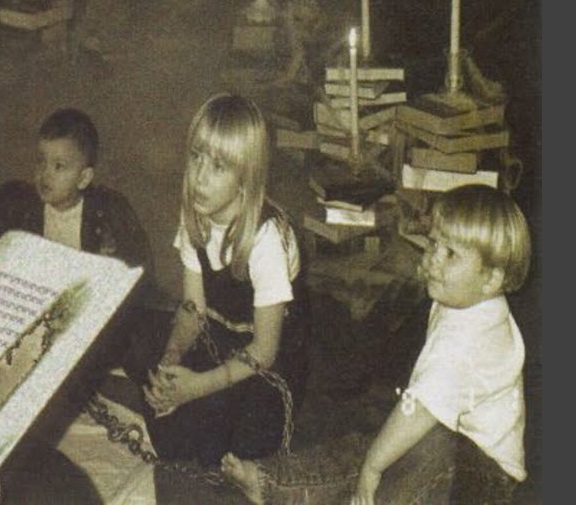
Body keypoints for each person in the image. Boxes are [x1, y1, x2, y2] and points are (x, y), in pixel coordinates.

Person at [220, 184, 531, 504]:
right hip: (445, 433)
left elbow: (421, 411)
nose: (434, 258)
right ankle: (273, 484)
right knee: (382, 440)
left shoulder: (470, 341)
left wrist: (372, 468)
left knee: (413, 451)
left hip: (483, 476)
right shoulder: (467, 296)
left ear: (491, 279)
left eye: (451, 254)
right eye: (435, 243)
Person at [125, 93, 310, 470]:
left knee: (234, 441)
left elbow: (264, 350)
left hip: (267, 353)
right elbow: (193, 310)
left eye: (219, 166)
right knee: (141, 352)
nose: (200, 177)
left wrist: (196, 387)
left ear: (246, 178)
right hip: (221, 333)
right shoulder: (195, 213)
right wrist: (171, 361)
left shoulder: (266, 239)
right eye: (196, 157)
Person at [0, 107, 152, 271]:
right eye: (41, 161)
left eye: (59, 166)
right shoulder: (13, 207)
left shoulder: (110, 215)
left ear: (83, 178)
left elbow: (136, 274)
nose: (45, 174)